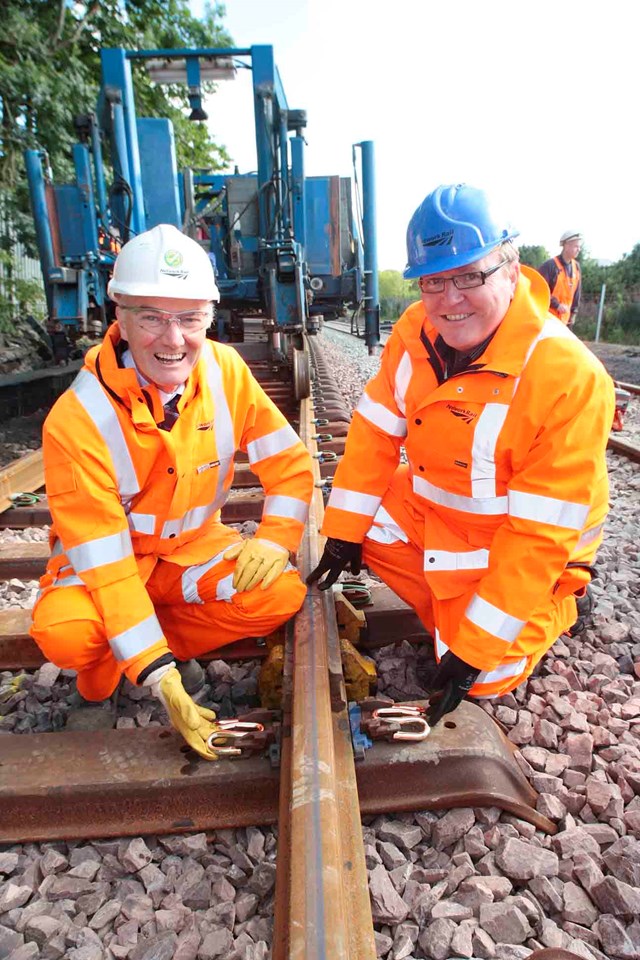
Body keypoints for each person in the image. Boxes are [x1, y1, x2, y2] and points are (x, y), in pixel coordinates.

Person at [308, 185, 614, 727]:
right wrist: (344, 531)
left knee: (488, 675)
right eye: (433, 280)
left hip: (519, 539)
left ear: (511, 267)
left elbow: (538, 534)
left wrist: (472, 648)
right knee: (360, 521)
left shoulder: (568, 377)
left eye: (469, 275)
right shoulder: (414, 334)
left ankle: (563, 602)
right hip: (445, 516)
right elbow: (376, 434)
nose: (450, 298)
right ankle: (447, 609)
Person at [30, 224, 314, 759]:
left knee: (280, 593)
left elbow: (291, 466)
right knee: (66, 634)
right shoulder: (79, 418)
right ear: (120, 317)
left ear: (210, 316)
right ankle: (116, 670)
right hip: (113, 565)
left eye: (188, 317)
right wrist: (161, 678)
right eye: (152, 317)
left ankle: (140, 641)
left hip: (189, 550)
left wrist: (276, 537)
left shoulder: (226, 372)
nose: (173, 338)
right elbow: (107, 562)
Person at [537, 230, 582, 326]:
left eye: (579, 247)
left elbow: (576, 294)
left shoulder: (576, 267)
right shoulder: (549, 266)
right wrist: (556, 305)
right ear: (566, 246)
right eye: (576, 246)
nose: (579, 249)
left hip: (565, 322)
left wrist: (573, 313)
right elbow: (539, 290)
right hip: (547, 321)